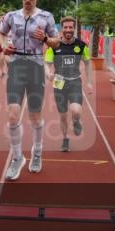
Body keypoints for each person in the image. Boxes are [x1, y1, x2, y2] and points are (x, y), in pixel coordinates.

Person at [0, 0, 58, 180]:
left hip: (36, 65)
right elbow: (0, 32)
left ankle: (37, 153)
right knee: (13, 115)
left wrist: (45, 39)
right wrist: (4, 45)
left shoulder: (46, 16)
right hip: (16, 65)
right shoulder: (11, 16)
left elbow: (56, 42)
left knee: (34, 116)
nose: (28, 0)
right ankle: (17, 158)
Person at [45, 17, 94, 153]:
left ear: (74, 28)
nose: (68, 30)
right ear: (61, 29)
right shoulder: (54, 45)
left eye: (70, 27)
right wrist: (48, 72)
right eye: (65, 27)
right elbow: (46, 63)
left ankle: (76, 121)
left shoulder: (82, 46)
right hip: (59, 82)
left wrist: (89, 82)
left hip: (75, 81)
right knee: (62, 115)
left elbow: (88, 63)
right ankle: (65, 138)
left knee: (76, 111)